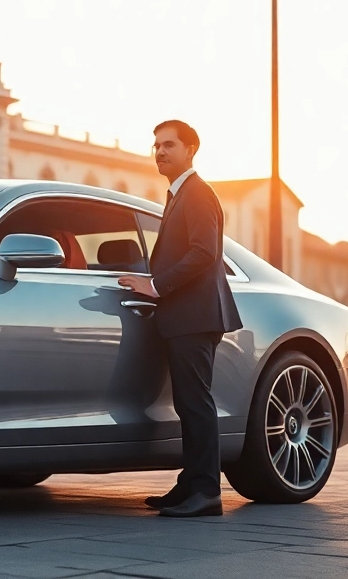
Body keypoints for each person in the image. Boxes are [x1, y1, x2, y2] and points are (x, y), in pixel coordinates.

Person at [117, 119, 242, 518]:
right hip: (186, 315)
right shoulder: (179, 194)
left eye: (169, 145)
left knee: (196, 402)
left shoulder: (197, 194)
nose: (160, 152)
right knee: (189, 403)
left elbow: (204, 253)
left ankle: (206, 491)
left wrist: (156, 285)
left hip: (195, 315)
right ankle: (191, 483)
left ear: (190, 149)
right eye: (156, 146)